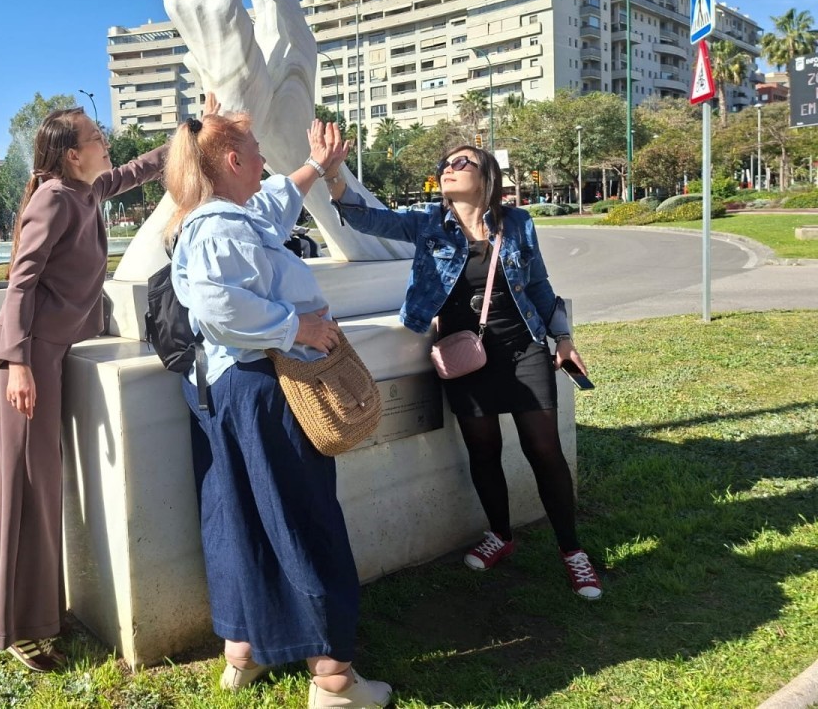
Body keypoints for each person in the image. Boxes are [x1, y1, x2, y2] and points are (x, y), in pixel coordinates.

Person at [166, 103, 393, 708]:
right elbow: (219, 306)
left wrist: (315, 165)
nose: (265, 162)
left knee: (237, 515)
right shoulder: (221, 226)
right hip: (261, 389)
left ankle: (244, 649)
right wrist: (298, 327)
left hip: (227, 389)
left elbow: (273, 203)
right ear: (233, 161)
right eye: (256, 153)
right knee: (302, 515)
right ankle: (334, 680)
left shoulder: (223, 217)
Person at [328, 145, 602, 601]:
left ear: (486, 175)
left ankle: (573, 552)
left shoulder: (517, 223)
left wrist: (563, 337)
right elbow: (369, 220)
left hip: (522, 346)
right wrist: (332, 175)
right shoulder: (428, 222)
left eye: (461, 163)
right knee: (483, 448)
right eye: (445, 164)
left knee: (544, 449)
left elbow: (538, 283)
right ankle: (501, 534)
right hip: (462, 353)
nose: (448, 169)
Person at [0, 107, 168, 670]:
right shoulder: (54, 199)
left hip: (53, 353)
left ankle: (37, 613)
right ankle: (19, 628)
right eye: (95, 137)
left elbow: (135, 171)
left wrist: (191, 136)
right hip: (31, 359)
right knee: (28, 489)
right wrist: (18, 364)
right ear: (71, 154)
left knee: (44, 487)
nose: (104, 142)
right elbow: (21, 282)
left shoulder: (87, 191)